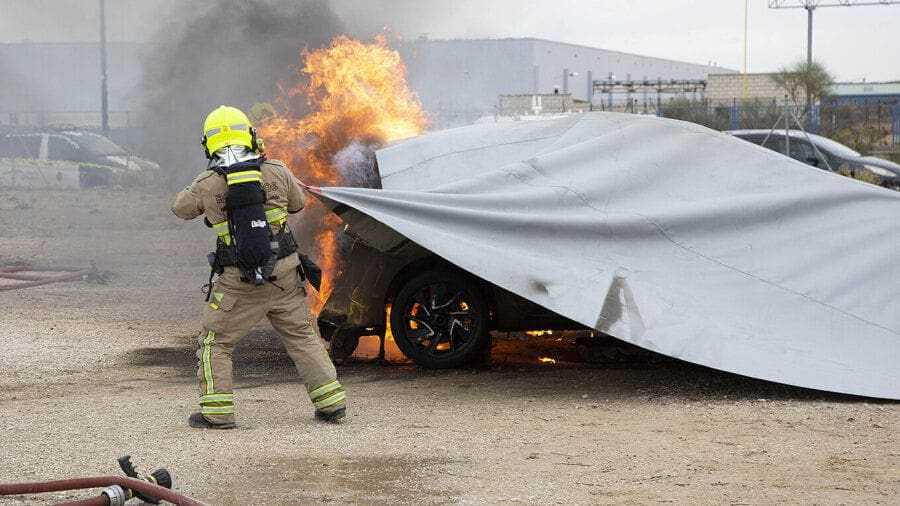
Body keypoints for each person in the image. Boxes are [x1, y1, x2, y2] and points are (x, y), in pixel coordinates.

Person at [171, 105, 346, 429]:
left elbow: (180, 209)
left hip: (238, 284)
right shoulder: (277, 170)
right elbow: (297, 204)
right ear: (250, 135)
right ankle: (332, 404)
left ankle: (218, 412)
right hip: (284, 275)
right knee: (303, 337)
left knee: (216, 343)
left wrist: (205, 187)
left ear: (209, 145)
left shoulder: (209, 183)